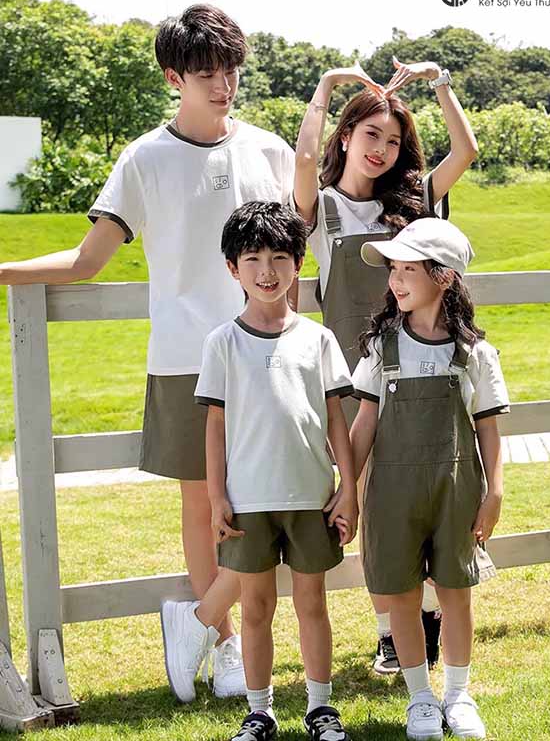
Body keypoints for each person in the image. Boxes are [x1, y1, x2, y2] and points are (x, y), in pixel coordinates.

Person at [0, 4, 296, 702]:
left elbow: (295, 250)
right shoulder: (144, 157)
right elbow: (86, 261)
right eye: (206, 73)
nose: (223, 84)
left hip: (271, 352)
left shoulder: (270, 150)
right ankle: (226, 647)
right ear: (173, 77)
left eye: (230, 70)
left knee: (278, 502)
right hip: (186, 358)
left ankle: (199, 619)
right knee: (204, 506)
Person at [294, 58, 479, 676]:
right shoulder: (320, 210)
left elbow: (466, 151)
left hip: (420, 377)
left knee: (422, 496)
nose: (381, 149)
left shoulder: (413, 204)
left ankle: (422, 619)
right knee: (372, 505)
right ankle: (390, 632)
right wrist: (326, 87)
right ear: (346, 135)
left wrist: (438, 81)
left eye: (394, 141)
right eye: (371, 134)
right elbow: (303, 159)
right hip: (354, 385)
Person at [195, 201, 358, 741]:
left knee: (312, 604)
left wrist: (348, 488)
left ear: (298, 263)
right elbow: (215, 427)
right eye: (253, 259)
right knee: (255, 607)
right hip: (248, 501)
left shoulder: (318, 339)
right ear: (233, 268)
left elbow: (336, 418)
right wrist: (217, 497)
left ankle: (320, 708)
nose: (267, 271)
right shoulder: (223, 343)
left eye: (280, 258)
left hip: (312, 496)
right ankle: (259, 711)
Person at [351, 217, 509, 740]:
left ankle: (458, 695)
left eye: (408, 270)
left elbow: (488, 430)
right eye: (392, 270)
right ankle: (420, 696)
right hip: (391, 496)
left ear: (443, 277)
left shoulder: (474, 354)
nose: (395, 281)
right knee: (400, 594)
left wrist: (494, 492)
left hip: (455, 493)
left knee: (455, 591)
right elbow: (364, 424)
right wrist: (347, 488)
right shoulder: (383, 347)